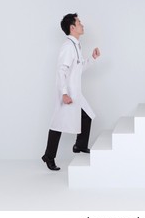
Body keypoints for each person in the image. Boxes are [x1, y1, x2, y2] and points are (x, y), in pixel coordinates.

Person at [42, 13, 101, 171]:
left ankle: (79, 145)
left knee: (87, 115)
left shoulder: (76, 46)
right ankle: (49, 156)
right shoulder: (68, 47)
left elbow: (79, 69)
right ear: (72, 27)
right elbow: (61, 71)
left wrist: (92, 58)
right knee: (58, 123)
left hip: (75, 92)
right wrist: (64, 93)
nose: (82, 25)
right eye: (79, 22)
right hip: (68, 93)